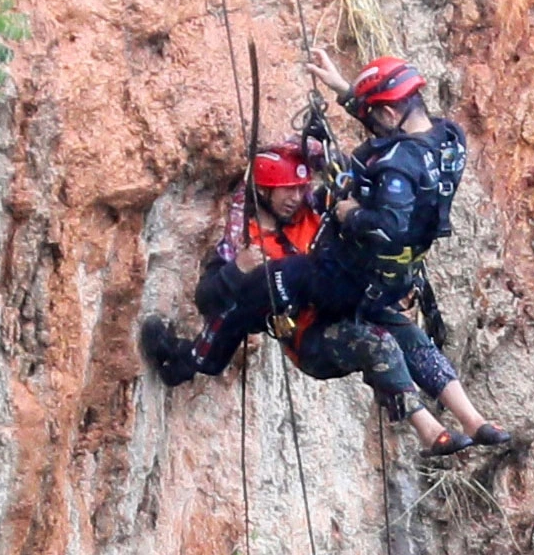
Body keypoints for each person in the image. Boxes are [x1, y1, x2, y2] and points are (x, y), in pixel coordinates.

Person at [223, 49, 511, 453]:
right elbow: (391, 129)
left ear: (390, 114)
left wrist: (349, 213)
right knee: (410, 337)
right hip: (389, 280)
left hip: (349, 277)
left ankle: (429, 430)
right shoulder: (449, 140)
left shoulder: (396, 166)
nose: (371, 123)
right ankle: (473, 419)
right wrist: (346, 91)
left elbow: (387, 227)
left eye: (374, 114)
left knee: (301, 287)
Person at [140, 142, 471, 455]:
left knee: (408, 334)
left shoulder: (314, 212)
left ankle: (473, 420)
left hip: (344, 309)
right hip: (311, 340)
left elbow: (345, 175)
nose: (296, 197)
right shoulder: (245, 239)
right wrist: (238, 269)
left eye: (300, 188)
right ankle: (429, 431)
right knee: (377, 345)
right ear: (264, 191)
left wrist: (313, 151)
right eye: (287, 190)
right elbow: (209, 299)